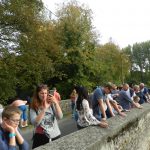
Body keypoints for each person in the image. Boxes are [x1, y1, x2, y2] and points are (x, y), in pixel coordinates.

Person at [30, 84, 63, 149]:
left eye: (45, 93)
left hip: (55, 135)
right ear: (37, 94)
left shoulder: (52, 104)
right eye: (42, 93)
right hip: (41, 137)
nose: (44, 95)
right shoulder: (34, 107)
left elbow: (60, 117)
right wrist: (44, 109)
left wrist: (56, 103)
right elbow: (35, 123)